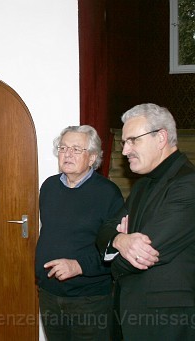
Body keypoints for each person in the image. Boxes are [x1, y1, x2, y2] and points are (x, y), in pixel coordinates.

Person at [96, 103, 195, 340]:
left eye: (133, 140)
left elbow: (145, 254)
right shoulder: (142, 185)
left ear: (161, 138)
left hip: (165, 321)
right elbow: (103, 231)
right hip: (129, 313)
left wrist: (115, 258)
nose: (125, 150)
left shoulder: (188, 184)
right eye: (124, 142)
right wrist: (120, 240)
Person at [35, 125, 124, 340]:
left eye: (76, 149)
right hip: (49, 294)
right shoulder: (48, 187)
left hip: (89, 300)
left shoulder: (107, 193)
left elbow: (115, 248)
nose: (67, 154)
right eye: (63, 148)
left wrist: (78, 266)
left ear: (92, 157)